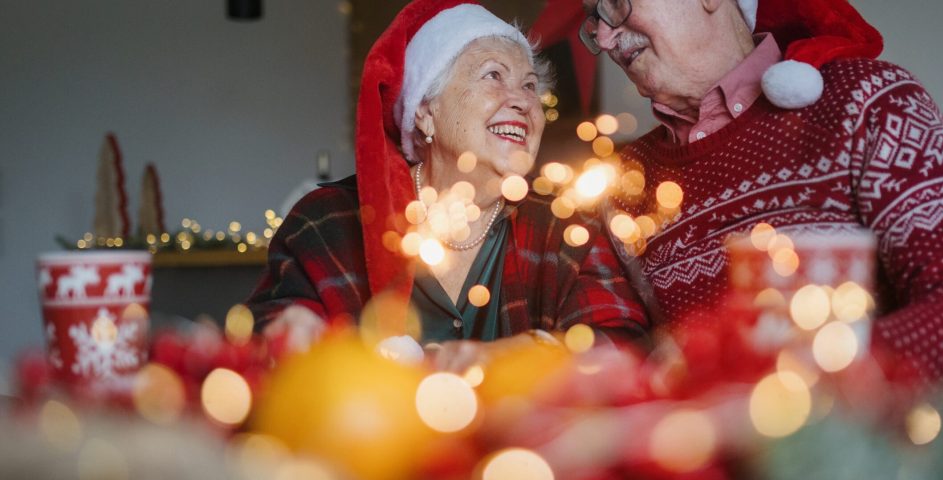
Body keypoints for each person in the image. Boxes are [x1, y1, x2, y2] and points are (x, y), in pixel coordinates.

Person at [578, 0, 943, 459]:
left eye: (615, 5)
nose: (605, 39)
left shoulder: (866, 102)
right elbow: (626, 357)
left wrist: (793, 394)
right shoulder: (624, 181)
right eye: (595, 20)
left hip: (893, 470)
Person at [247, 0, 649, 369]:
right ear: (425, 111)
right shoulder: (326, 222)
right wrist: (296, 341)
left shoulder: (566, 230)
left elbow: (619, 346)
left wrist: (531, 353)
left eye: (530, 86)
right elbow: (265, 347)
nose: (524, 102)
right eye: (494, 75)